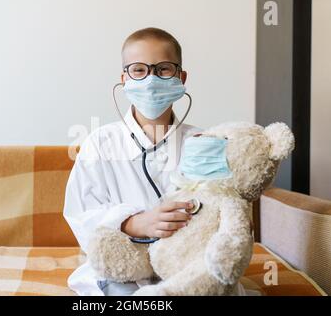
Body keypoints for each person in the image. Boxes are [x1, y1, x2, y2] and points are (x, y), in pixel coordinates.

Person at [64, 27, 223, 296]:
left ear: (181, 78)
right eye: (139, 70)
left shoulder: (202, 143)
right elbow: (80, 214)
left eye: (163, 69)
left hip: (186, 265)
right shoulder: (100, 143)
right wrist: (132, 222)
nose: (150, 80)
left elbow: (221, 211)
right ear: (125, 79)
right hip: (123, 270)